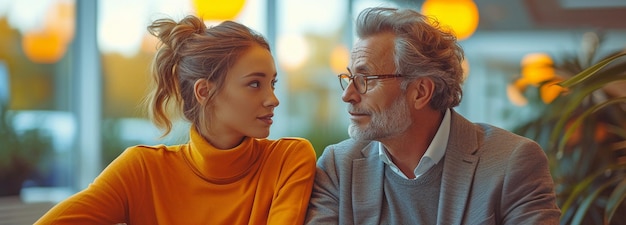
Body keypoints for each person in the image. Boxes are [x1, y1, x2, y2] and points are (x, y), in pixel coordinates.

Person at [36, 15, 316, 225]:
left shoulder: (289, 160)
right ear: (205, 91)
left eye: (273, 84)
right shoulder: (142, 169)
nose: (273, 99)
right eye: (255, 84)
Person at [305, 7, 561, 225]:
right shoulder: (338, 167)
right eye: (350, 78)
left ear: (420, 91)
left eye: (365, 79)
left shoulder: (513, 163)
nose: (348, 94)